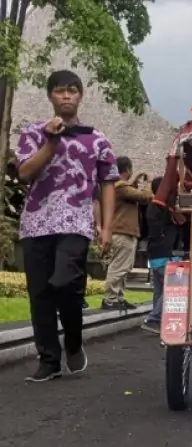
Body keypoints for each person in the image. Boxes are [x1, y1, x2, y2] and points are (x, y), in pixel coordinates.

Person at [15, 69, 117, 382]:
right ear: (51, 97)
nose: (67, 96)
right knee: (40, 294)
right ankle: (49, 360)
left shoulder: (95, 138)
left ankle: (73, 339)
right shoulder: (33, 133)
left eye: (72, 91)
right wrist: (50, 142)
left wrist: (107, 227)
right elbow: (24, 172)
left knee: (64, 282)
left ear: (81, 96)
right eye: (60, 91)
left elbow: (109, 181)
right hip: (36, 223)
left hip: (76, 221)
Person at [102, 156, 153, 310]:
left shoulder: (119, 187)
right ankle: (110, 298)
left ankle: (118, 297)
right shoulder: (120, 187)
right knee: (119, 266)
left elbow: (133, 193)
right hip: (122, 232)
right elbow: (146, 196)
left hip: (124, 233)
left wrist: (135, 182)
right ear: (128, 169)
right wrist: (149, 182)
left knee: (123, 267)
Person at [141, 177, 183, 334]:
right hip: (166, 254)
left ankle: (157, 321)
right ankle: (154, 318)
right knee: (170, 289)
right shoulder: (163, 208)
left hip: (155, 254)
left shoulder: (152, 207)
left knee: (159, 291)